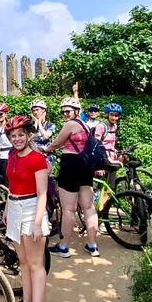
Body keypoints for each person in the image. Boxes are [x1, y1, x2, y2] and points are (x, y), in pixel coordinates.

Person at [2, 115, 50, 302]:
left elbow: (42, 194)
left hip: (32, 209)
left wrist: (38, 223)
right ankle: (27, 301)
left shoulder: (37, 159)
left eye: (21, 134)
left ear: (28, 135)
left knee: (35, 264)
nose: (17, 139)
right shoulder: (12, 155)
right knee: (22, 260)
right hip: (13, 206)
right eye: (13, 135)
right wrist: (6, 209)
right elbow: (11, 185)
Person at [45, 96, 101, 258]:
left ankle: (63, 247)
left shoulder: (70, 124)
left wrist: (45, 150)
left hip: (71, 165)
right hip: (85, 167)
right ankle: (92, 245)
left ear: (76, 111)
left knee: (68, 209)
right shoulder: (84, 124)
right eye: (63, 112)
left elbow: (57, 143)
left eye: (67, 111)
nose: (65, 114)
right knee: (88, 207)